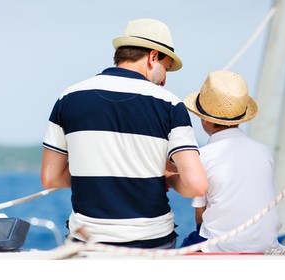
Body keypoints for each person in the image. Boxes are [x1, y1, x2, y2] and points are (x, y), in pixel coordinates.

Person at [40, 18, 208, 249]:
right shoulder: (170, 104)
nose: (165, 79)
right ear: (152, 57)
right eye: (166, 68)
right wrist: (166, 176)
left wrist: (96, 172)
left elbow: (50, 177)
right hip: (152, 243)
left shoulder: (69, 97)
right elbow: (196, 186)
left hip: (88, 243)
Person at [179, 70, 284, 252]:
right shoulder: (264, 152)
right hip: (267, 244)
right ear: (241, 118)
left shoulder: (203, 156)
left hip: (222, 246)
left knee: (179, 253)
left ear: (204, 120)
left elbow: (200, 217)